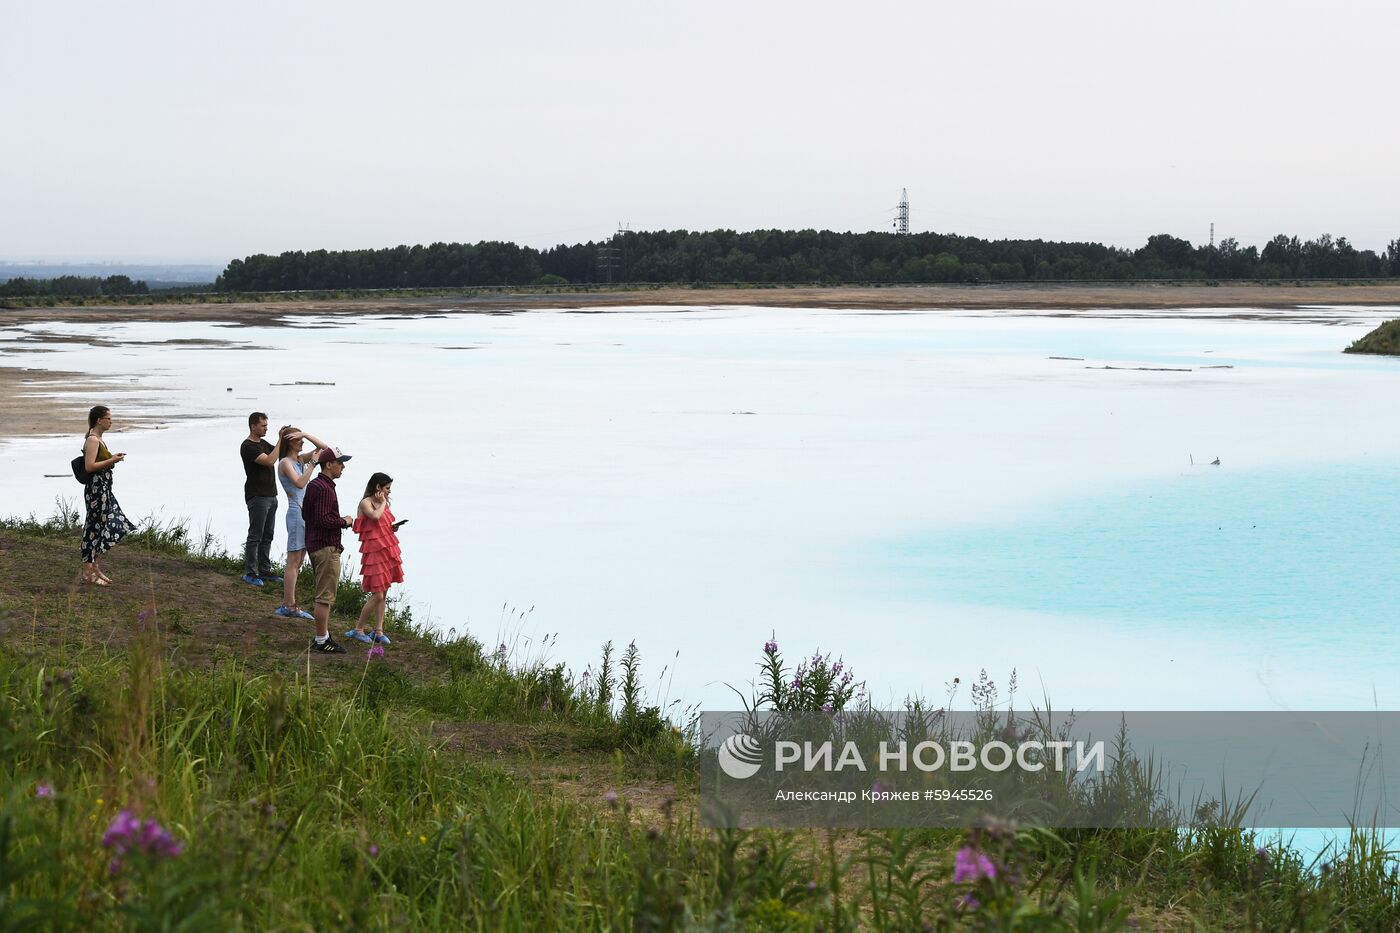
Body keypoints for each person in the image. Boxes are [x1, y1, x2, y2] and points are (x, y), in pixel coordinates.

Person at [302, 447, 354, 654]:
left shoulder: (315, 485)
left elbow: (307, 514)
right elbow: (324, 519)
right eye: (340, 462)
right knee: (325, 596)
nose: (343, 466)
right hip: (325, 547)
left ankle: (323, 634)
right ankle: (322, 639)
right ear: (329, 464)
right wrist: (345, 522)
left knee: (324, 593)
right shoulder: (323, 488)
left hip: (316, 545)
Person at [274, 424, 329, 620]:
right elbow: (299, 483)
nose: (302, 442)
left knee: (299, 560)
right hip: (296, 512)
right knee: (293, 561)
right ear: (290, 442)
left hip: (304, 513)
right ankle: (288, 604)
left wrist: (306, 433)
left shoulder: (299, 459)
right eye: (299, 439)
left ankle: (291, 603)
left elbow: (325, 448)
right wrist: (312, 465)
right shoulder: (285, 463)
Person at [79, 406, 136, 585]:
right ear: (99, 420)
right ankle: (88, 571)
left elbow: (97, 461)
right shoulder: (93, 440)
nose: (111, 421)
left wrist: (112, 457)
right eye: (108, 418)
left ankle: (95, 568)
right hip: (96, 489)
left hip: (103, 488)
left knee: (101, 526)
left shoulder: (99, 439)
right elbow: (89, 466)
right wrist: (111, 460)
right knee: (93, 528)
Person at [346, 472, 405, 646]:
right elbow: (374, 516)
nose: (389, 492)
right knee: (378, 595)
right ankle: (358, 629)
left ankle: (378, 630)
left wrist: (392, 527)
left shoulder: (382, 503)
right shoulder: (367, 503)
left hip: (386, 549)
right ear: (378, 487)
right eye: (387, 488)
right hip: (374, 553)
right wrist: (383, 503)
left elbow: (380, 523)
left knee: (384, 591)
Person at [240, 412, 282, 588]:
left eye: (267, 425)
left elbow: (280, 453)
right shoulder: (248, 446)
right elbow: (270, 460)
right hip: (257, 496)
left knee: (268, 535)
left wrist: (288, 439)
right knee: (255, 535)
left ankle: (264, 570)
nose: (266, 428)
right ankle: (250, 572)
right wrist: (281, 439)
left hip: (271, 495)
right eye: (263, 425)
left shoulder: (264, 443)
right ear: (253, 426)